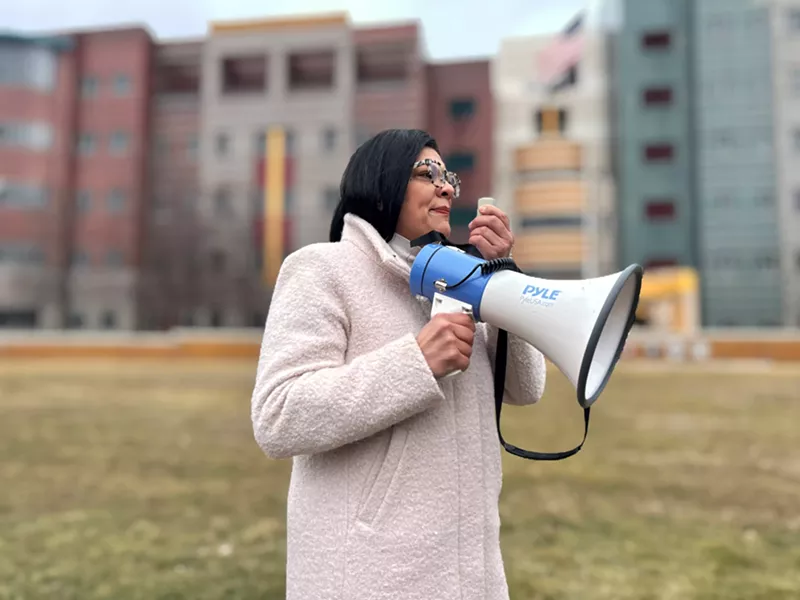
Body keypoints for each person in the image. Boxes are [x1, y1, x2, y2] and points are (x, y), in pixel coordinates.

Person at [251, 129, 547, 600]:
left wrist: (504, 278)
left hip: (472, 571)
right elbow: (278, 415)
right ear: (382, 180)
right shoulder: (321, 269)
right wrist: (417, 362)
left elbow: (526, 388)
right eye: (427, 173)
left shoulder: (460, 278)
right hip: (370, 575)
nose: (447, 187)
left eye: (448, 176)